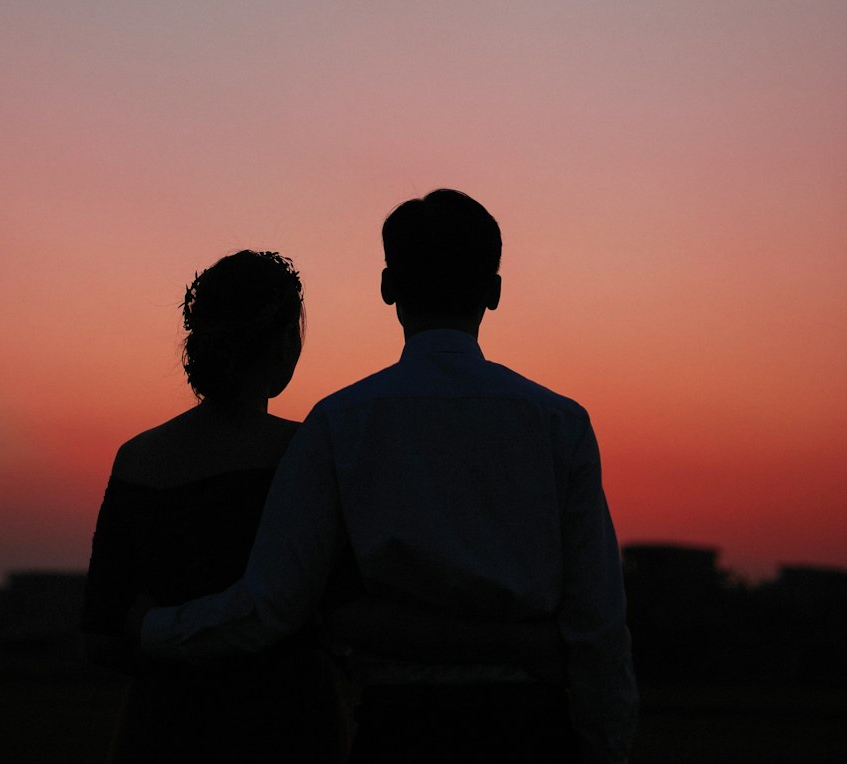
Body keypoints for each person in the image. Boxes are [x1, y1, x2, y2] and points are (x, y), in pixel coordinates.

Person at [138, 191, 638, 764]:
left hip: (400, 728)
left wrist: (151, 629)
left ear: (387, 287)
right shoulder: (558, 423)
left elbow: (272, 603)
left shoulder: (339, 423)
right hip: (530, 724)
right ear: (494, 291)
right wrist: (607, 744)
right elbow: (599, 620)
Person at [81, 249, 350, 762]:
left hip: (163, 727)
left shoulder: (138, 459)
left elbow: (102, 636)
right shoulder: (309, 453)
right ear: (283, 345)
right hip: (290, 728)